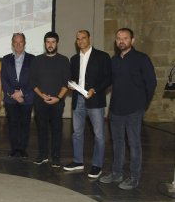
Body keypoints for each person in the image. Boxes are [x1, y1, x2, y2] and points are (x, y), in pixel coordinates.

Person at [99, 28, 156, 190]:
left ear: (132, 40)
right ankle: (117, 173)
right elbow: (108, 81)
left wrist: (142, 105)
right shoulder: (114, 60)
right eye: (118, 38)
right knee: (117, 143)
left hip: (134, 110)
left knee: (134, 144)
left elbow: (151, 83)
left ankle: (134, 177)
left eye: (125, 38)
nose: (121, 41)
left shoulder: (142, 59)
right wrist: (94, 90)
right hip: (116, 109)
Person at [63, 30, 111, 179]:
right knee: (77, 133)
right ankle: (78, 161)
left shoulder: (102, 56)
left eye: (83, 38)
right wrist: (70, 84)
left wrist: (94, 90)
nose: (81, 41)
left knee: (99, 135)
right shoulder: (74, 59)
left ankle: (97, 165)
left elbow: (109, 78)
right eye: (78, 39)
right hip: (78, 99)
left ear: (89, 38)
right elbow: (71, 77)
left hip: (95, 100)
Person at [29, 31, 70, 167]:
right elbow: (32, 82)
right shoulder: (37, 60)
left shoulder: (64, 60)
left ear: (57, 43)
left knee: (57, 130)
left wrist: (58, 98)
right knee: (41, 129)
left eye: (53, 42)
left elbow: (66, 83)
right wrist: (42, 95)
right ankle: (43, 155)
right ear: (44, 43)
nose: (50, 45)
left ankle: (56, 157)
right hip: (40, 101)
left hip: (57, 102)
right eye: (48, 42)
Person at [1, 33, 35, 158]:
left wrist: (21, 93)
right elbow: (3, 79)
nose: (18, 44)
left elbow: (34, 79)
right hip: (11, 98)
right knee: (13, 123)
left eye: (21, 42)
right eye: (15, 42)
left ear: (25, 43)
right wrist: (13, 94)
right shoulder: (5, 59)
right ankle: (15, 148)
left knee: (25, 123)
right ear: (12, 44)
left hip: (27, 97)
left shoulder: (33, 59)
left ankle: (22, 149)